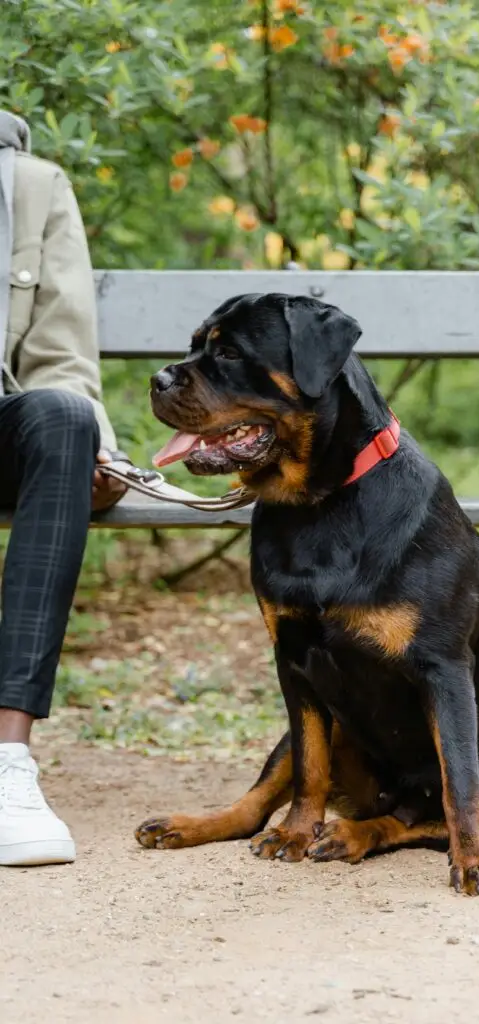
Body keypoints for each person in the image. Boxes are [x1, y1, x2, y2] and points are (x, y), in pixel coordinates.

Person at [0, 111, 127, 866]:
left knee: (63, 417)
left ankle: (7, 763)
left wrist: (96, 450)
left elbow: (60, 357)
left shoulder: (30, 187)